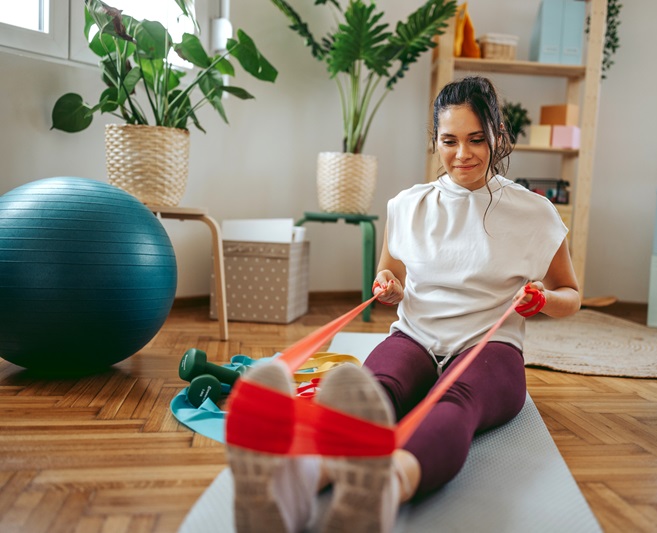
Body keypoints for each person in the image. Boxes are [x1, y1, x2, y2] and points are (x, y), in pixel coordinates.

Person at [225, 75, 581, 533]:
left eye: (476, 139)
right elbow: (391, 276)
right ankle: (302, 481)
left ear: (498, 135)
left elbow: (571, 295)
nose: (462, 154)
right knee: (374, 389)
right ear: (434, 141)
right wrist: (389, 286)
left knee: (453, 403)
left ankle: (385, 487)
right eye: (449, 141)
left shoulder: (533, 212)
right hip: (415, 335)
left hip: (489, 349)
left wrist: (544, 300)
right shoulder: (408, 205)